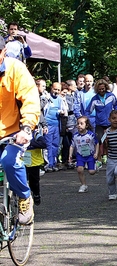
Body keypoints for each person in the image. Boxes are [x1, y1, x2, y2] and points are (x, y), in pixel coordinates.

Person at [0, 37, 40, 224]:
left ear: (3, 52)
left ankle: (25, 197)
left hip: (15, 132)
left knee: (9, 161)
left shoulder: (15, 68)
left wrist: (26, 128)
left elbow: (31, 99)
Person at [85, 79, 117, 164]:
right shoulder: (94, 99)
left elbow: (116, 105)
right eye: (99, 89)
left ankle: (108, 156)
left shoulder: (111, 96)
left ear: (106, 87)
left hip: (109, 123)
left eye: (103, 88)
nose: (101, 90)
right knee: (99, 141)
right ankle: (99, 160)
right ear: (97, 89)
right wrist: (86, 119)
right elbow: (88, 110)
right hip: (99, 123)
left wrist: (116, 114)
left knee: (109, 140)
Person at [69, 116, 99, 193]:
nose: (79, 125)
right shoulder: (75, 136)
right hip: (80, 155)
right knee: (79, 170)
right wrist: (70, 155)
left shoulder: (91, 135)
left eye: (81, 124)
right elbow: (72, 146)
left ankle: (96, 166)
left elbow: (97, 144)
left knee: (91, 172)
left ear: (87, 125)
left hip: (90, 155)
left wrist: (96, 153)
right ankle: (83, 185)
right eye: (78, 123)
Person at [43, 82, 67, 172]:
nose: (56, 91)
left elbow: (65, 111)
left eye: (58, 90)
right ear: (51, 88)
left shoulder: (60, 99)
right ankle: (48, 164)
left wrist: (62, 112)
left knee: (56, 145)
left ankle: (54, 163)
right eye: (55, 89)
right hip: (48, 125)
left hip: (57, 125)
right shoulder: (46, 98)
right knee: (48, 145)